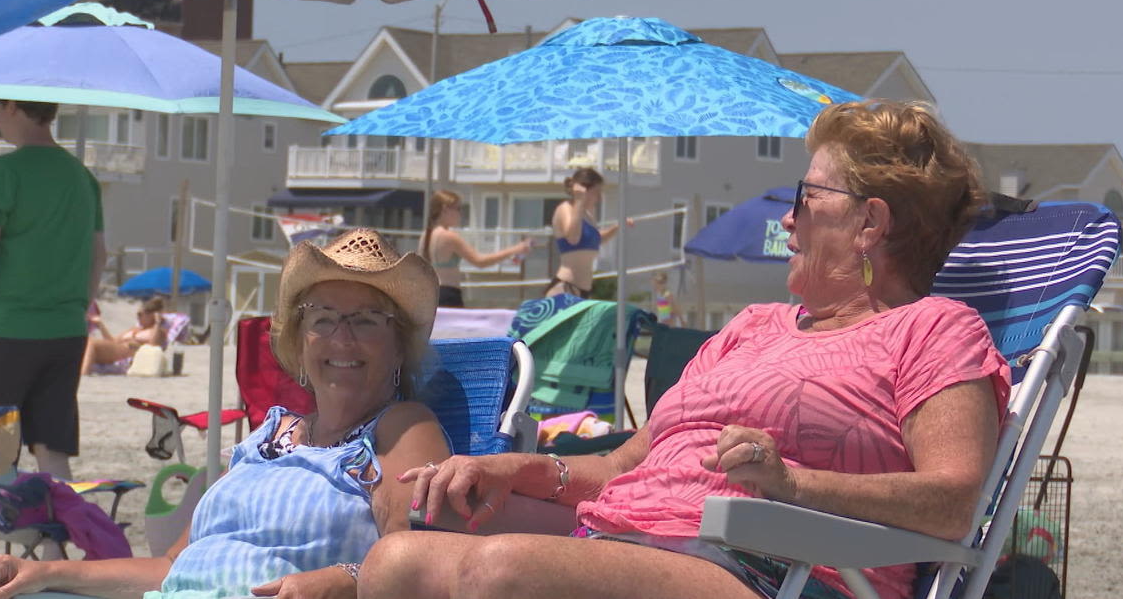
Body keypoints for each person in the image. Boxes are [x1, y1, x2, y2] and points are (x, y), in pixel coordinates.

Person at [358, 100, 1011, 599]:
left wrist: (793, 483)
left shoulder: (933, 329)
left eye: (806, 200)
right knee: (396, 562)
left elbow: (955, 503)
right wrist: (511, 469)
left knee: (499, 574)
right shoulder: (752, 325)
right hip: (623, 532)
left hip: (772, 567)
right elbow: (618, 470)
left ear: (870, 223)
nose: (788, 220)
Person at [0, 229, 452, 599]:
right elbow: (171, 566)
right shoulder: (264, 438)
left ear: (398, 347)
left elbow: (424, 562)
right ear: (300, 341)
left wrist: (347, 580)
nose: (341, 340)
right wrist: (44, 570)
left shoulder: (400, 428)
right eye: (323, 318)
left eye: (366, 320)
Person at [0, 99, 106, 481]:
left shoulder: (2, 171)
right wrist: (77, 308)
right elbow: (99, 256)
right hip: (66, 331)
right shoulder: (82, 176)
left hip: (6, 328)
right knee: (52, 449)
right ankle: (53, 543)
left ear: (12, 106)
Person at [421, 190, 532, 308]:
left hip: (430, 295)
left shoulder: (425, 235)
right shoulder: (449, 236)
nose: (460, 214)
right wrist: (514, 249)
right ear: (445, 209)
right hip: (448, 294)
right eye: (458, 209)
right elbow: (480, 261)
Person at [544, 168, 632, 299]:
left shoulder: (587, 216)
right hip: (566, 287)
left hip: (584, 290)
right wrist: (579, 201)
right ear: (585, 190)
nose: (599, 198)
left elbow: (596, 240)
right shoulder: (565, 208)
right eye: (596, 192)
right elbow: (573, 238)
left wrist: (617, 227)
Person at [79, 297, 169, 375]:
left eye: (140, 314)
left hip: (126, 352)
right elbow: (113, 341)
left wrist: (157, 322)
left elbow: (153, 347)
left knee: (91, 343)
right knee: (86, 341)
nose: (138, 317)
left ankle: (84, 374)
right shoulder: (134, 329)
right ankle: (81, 371)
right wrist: (100, 324)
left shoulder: (158, 331)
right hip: (116, 349)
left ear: (152, 315)